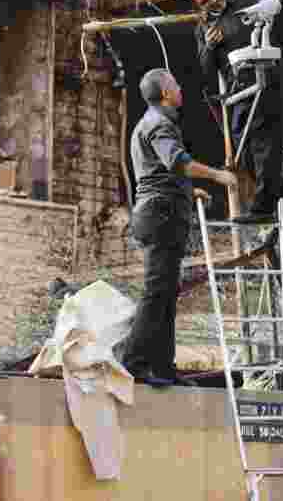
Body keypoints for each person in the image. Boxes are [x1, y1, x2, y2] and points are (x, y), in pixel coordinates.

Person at [121, 68, 238, 388]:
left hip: (159, 210)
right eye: (174, 84)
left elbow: (160, 172)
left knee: (166, 293)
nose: (180, 87)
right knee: (157, 292)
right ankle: (133, 363)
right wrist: (217, 176)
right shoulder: (159, 124)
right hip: (160, 215)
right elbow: (177, 162)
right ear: (164, 93)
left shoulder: (151, 122)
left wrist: (188, 190)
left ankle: (163, 366)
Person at [181, 0, 283, 224]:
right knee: (244, 154)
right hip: (238, 92)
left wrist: (272, 2)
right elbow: (206, 73)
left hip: (265, 79)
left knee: (263, 146)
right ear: (199, 5)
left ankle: (263, 207)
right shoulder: (204, 28)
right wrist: (208, 47)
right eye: (206, 1)